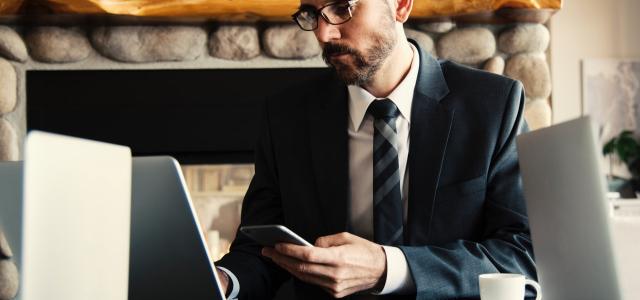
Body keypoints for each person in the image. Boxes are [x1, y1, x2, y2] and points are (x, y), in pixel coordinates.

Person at [215, 0, 537, 298]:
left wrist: (388, 268)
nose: (324, 33)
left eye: (342, 8)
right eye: (312, 14)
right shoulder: (286, 116)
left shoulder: (493, 107)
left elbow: (521, 254)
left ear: (400, 5)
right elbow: (260, 249)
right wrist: (225, 280)